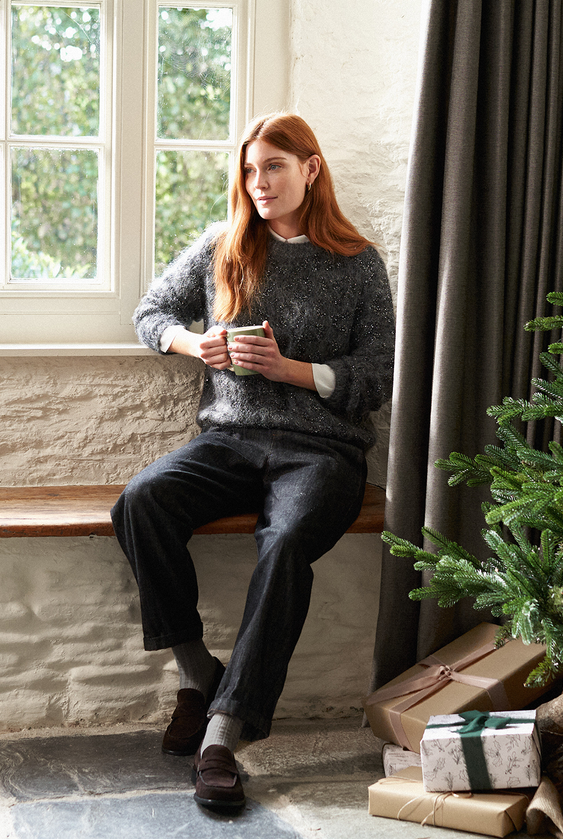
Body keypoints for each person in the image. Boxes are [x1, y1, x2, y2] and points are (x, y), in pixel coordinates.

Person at [111, 112, 395, 810]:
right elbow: (151, 313)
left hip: (322, 452)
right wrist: (194, 344)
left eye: (273, 166)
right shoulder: (224, 246)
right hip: (230, 442)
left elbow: (379, 373)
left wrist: (291, 369)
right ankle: (197, 673)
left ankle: (222, 735)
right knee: (141, 502)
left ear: (311, 169)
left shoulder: (358, 263)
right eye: (248, 169)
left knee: (287, 542)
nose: (258, 182)